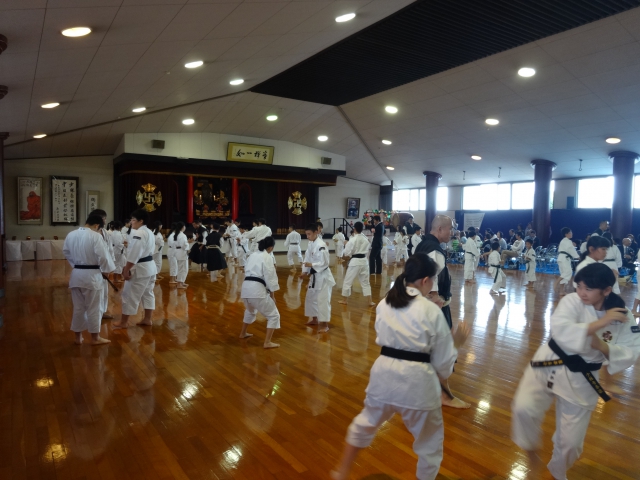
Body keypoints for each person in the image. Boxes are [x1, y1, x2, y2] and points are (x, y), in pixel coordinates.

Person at [331, 254, 470, 480]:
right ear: (425, 280)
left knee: (364, 424)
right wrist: (456, 343)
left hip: (383, 374)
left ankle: (341, 471)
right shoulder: (430, 310)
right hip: (417, 382)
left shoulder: (385, 303)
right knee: (430, 445)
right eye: (432, 281)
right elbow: (443, 366)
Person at [511, 263, 640, 480]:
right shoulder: (572, 301)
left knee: (570, 443)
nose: (581, 292)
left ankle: (556, 472)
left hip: (583, 378)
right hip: (549, 362)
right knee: (523, 409)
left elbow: (632, 351)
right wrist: (602, 323)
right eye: (579, 286)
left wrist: (602, 346)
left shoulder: (622, 315)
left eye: (588, 289)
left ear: (606, 290)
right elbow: (560, 330)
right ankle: (532, 455)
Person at [414, 215, 470, 409]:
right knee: (443, 349)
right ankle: (444, 395)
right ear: (439, 229)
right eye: (449, 229)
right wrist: (438, 308)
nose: (452, 233)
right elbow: (432, 285)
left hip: (420, 305)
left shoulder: (422, 245)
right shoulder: (435, 251)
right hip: (432, 306)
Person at [63, 214, 115, 346]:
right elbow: (103, 257)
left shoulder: (71, 234)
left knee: (79, 307)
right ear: (97, 226)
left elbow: (66, 252)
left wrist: (76, 264)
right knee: (94, 308)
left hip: (76, 274)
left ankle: (78, 337)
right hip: (92, 276)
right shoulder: (95, 236)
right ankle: (95, 338)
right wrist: (106, 270)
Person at [112, 209, 158, 329]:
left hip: (140, 268)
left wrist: (126, 269)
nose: (131, 222)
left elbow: (135, 254)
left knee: (129, 294)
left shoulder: (139, 233)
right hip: (149, 267)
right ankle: (147, 319)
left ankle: (124, 322)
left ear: (141, 221)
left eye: (133, 220)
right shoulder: (149, 232)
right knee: (148, 293)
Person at [239, 237, 281, 348]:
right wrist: (272, 296)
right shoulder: (267, 257)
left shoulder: (252, 255)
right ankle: (267, 342)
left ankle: (243, 333)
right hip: (256, 289)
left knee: (250, 310)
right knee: (274, 315)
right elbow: (270, 277)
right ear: (271, 248)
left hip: (245, 288)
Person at [300, 223, 335, 333]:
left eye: (309, 234)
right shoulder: (311, 244)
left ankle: (325, 324)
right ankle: (314, 319)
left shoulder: (321, 245)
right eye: (306, 234)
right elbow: (307, 258)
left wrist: (312, 265)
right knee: (310, 297)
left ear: (316, 232)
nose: (308, 236)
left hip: (323, 276)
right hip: (314, 275)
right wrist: (304, 272)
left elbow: (325, 262)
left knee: (323, 300)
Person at [339, 222, 375, 307]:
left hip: (355, 262)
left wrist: (346, 244)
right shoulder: (365, 238)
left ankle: (344, 300)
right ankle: (370, 301)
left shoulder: (353, 239)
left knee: (348, 281)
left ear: (354, 229)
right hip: (364, 261)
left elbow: (347, 253)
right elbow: (368, 246)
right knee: (366, 282)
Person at [89, 209, 115, 320]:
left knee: (104, 291)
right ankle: (93, 314)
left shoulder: (105, 232)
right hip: (92, 266)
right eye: (103, 219)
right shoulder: (89, 233)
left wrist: (110, 266)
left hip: (105, 266)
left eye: (105, 219)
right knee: (93, 292)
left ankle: (103, 311)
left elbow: (110, 250)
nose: (105, 221)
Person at [555, 227, 580, 296]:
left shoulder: (564, 240)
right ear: (566, 234)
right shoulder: (568, 241)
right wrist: (578, 257)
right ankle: (556, 282)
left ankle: (561, 291)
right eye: (570, 232)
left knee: (564, 273)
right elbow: (572, 250)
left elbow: (570, 249)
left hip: (562, 258)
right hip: (564, 259)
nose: (571, 233)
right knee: (568, 272)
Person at [172, 222, 191, 289]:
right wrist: (188, 249)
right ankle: (180, 283)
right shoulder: (182, 235)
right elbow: (184, 245)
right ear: (183, 227)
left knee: (181, 268)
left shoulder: (176, 234)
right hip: (182, 252)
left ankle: (182, 282)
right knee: (183, 268)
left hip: (178, 252)